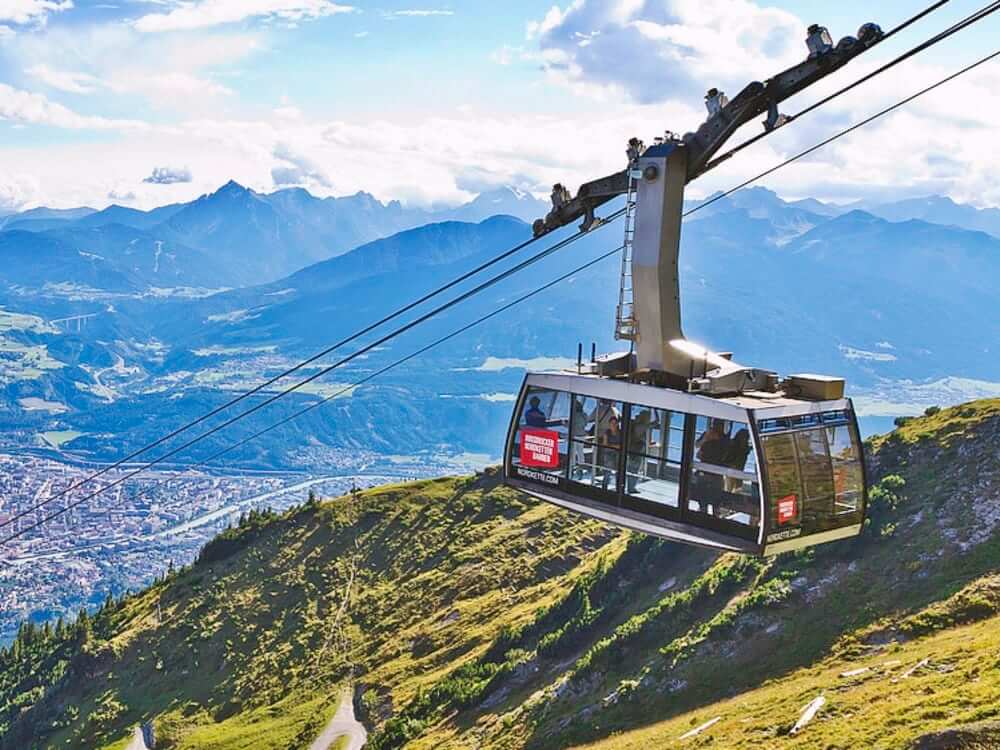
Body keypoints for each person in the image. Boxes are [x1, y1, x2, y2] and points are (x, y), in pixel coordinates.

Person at [600, 415, 622, 490]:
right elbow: (605, 445)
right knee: (607, 472)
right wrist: (615, 446)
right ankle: (604, 488)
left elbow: (621, 446)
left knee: (618, 472)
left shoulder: (620, 433)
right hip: (608, 454)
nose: (613, 425)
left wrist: (611, 445)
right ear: (609, 424)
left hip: (618, 454)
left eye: (615, 423)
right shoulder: (607, 433)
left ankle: (618, 489)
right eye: (612, 423)